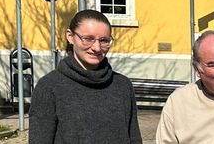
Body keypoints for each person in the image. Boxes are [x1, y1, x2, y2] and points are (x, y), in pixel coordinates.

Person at [29, 10, 142, 143]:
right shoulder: (49, 87)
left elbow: (134, 138)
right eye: (88, 39)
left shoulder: (122, 86)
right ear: (70, 37)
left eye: (104, 40)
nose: (97, 48)